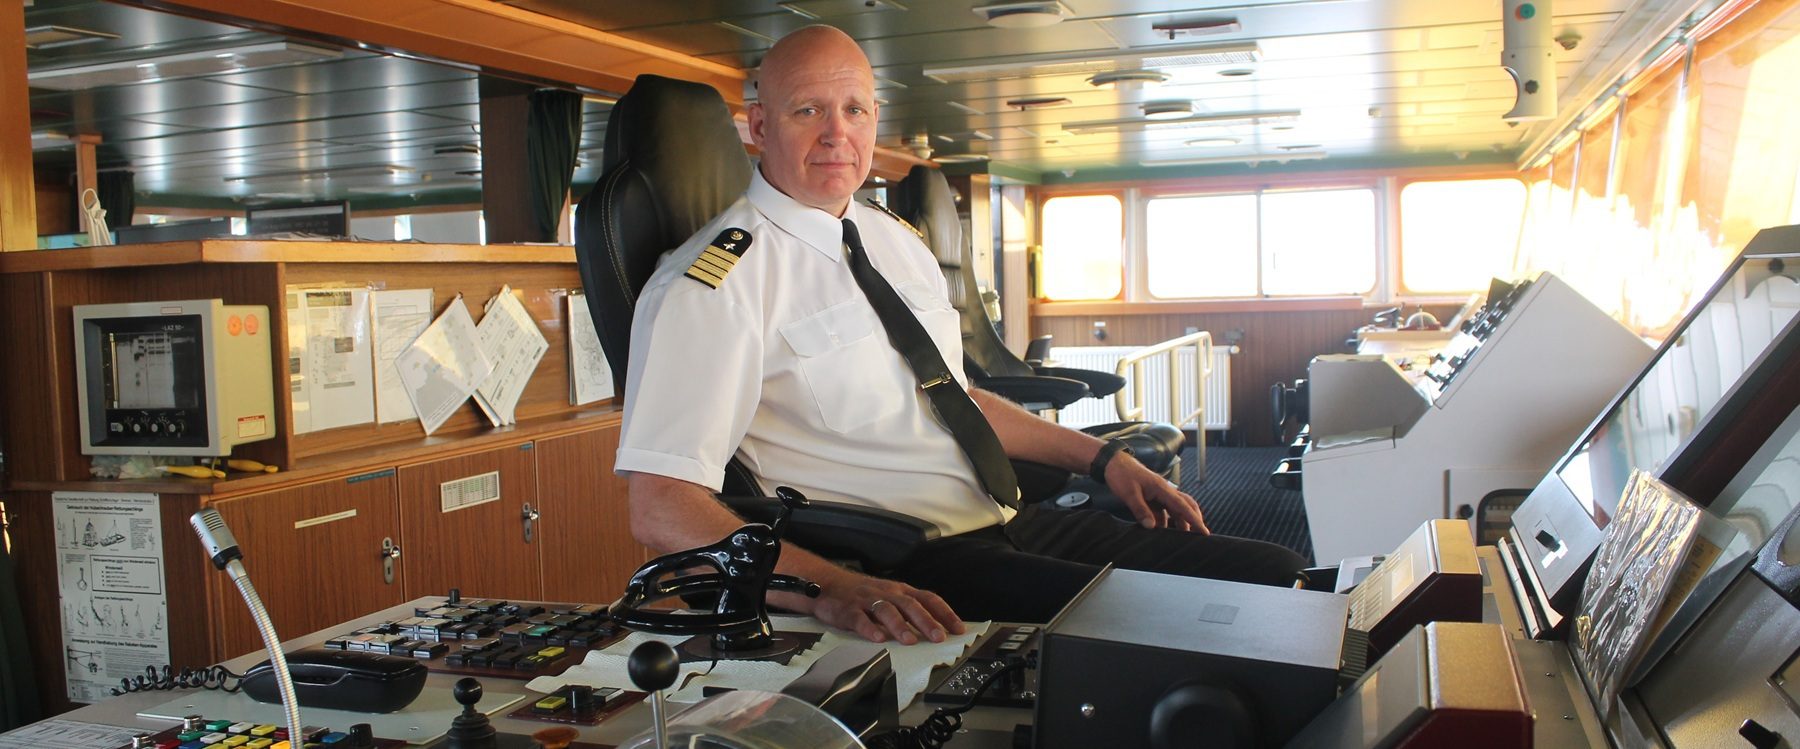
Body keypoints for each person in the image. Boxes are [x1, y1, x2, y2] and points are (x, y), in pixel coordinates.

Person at [616, 25, 1306, 647]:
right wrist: (831, 588)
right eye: (808, 111)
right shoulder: (712, 286)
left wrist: (1106, 460)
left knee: (1276, 574)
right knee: (1206, 625)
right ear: (760, 125)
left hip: (1011, 516)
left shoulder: (894, 240)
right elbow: (660, 505)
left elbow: (956, 397)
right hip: (910, 559)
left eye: (854, 110)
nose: (836, 134)